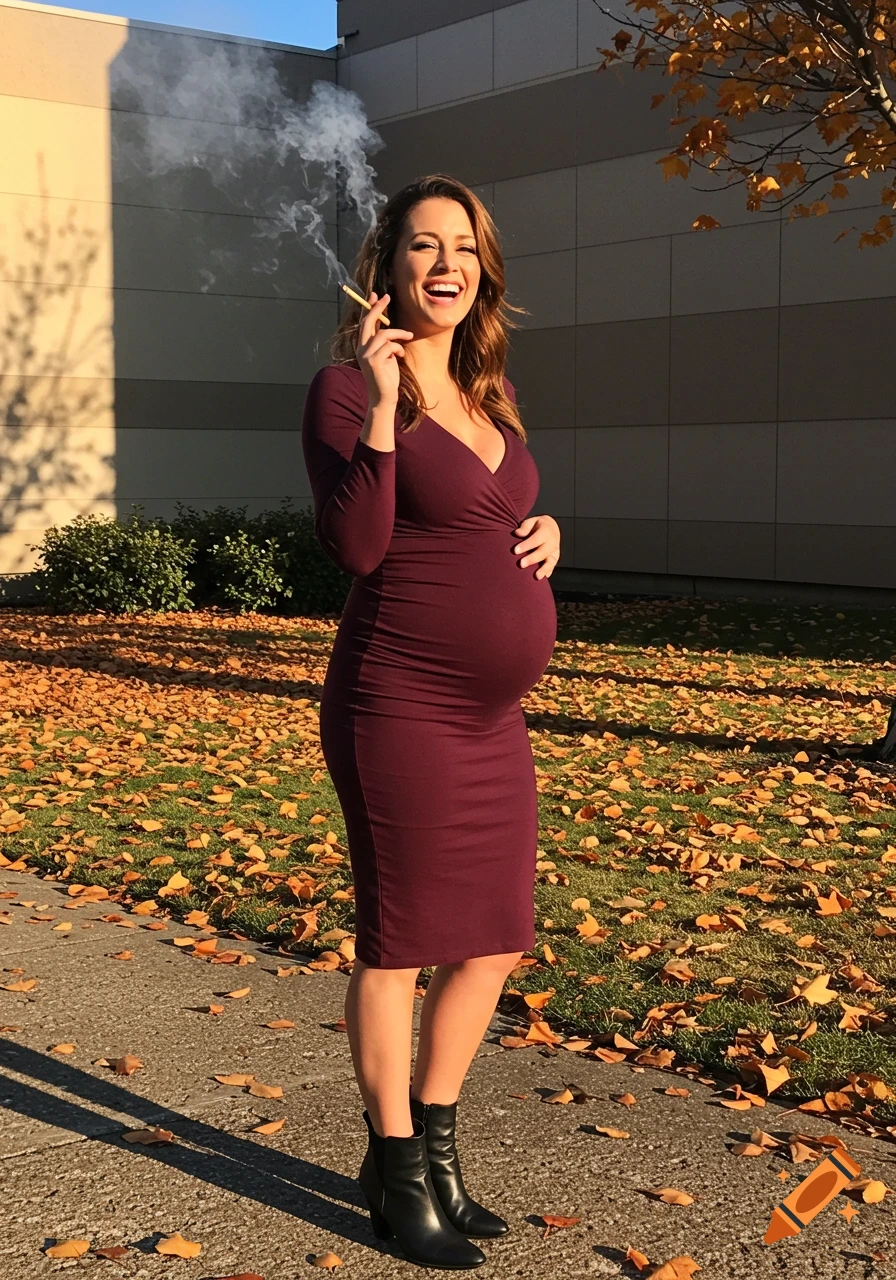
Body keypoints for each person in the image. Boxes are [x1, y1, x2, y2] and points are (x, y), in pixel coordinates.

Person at [301, 174, 561, 1269]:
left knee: (495, 935)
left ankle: (438, 1143)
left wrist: (547, 527)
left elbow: (489, 510)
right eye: (420, 246)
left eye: (461, 245)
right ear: (387, 270)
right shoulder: (341, 388)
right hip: (396, 701)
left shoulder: (490, 392)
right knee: (401, 941)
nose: (443, 262)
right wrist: (376, 398)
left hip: (490, 718)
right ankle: (395, 1169)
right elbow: (359, 545)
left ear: (481, 268)